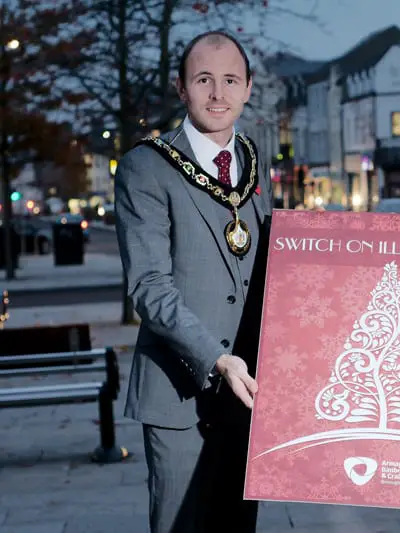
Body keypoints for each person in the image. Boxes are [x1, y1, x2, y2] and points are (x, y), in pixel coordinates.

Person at [115, 30, 272, 533]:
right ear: (182, 89)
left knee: (237, 524)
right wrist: (217, 358)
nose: (218, 94)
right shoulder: (146, 167)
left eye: (230, 80)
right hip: (181, 392)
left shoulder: (253, 157)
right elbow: (150, 288)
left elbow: (275, 265)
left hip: (249, 392)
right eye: (203, 80)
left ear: (248, 88)